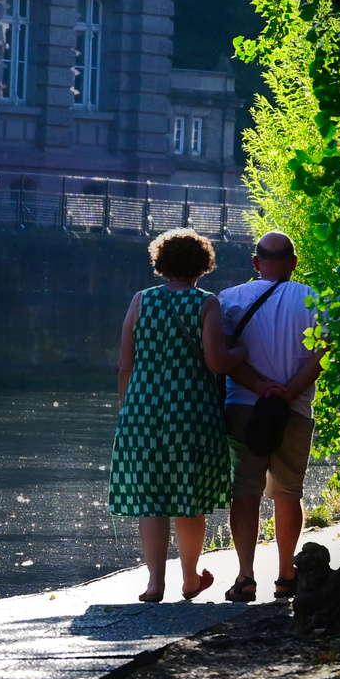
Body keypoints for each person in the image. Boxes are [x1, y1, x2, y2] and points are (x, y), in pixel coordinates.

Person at [110, 228, 246, 602]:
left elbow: (126, 363)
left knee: (151, 498)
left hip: (143, 408)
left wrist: (128, 410)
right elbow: (216, 361)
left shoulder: (140, 301)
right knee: (189, 495)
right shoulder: (206, 303)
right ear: (202, 265)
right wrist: (242, 354)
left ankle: (155, 583)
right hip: (191, 410)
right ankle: (189, 579)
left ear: (161, 263)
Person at [217, 231, 327, 603]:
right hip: (293, 411)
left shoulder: (229, 299)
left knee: (245, 493)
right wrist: (289, 390)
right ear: (294, 262)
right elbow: (323, 353)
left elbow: (223, 356)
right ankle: (285, 575)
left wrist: (261, 386)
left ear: (255, 263)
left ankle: (246, 577)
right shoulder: (314, 298)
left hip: (244, 407)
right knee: (287, 493)